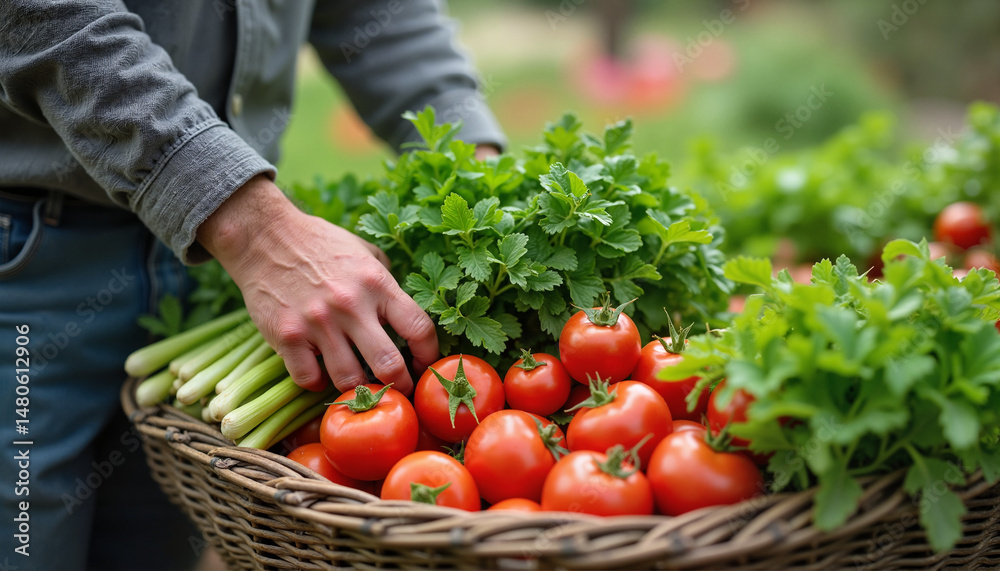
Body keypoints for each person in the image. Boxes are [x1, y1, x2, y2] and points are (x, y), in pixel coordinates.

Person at [0, 1, 506, 569]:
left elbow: (376, 12)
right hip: (32, 260)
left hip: (207, 262)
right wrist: (256, 231)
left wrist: (475, 175)